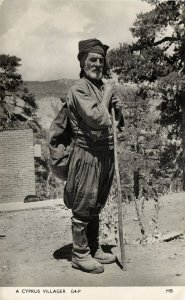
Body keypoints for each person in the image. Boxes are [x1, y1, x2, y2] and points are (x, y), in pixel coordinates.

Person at [64, 38, 124, 274]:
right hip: (87, 155)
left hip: (104, 154)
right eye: (93, 59)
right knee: (84, 203)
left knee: (97, 202)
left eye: (101, 60)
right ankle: (79, 254)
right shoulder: (78, 89)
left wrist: (117, 108)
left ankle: (93, 246)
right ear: (82, 61)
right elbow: (97, 119)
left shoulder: (100, 88)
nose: (98, 64)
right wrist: (108, 93)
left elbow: (114, 124)